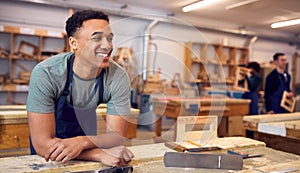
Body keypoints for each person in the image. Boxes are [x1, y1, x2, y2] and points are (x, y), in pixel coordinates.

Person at [26, 10, 134, 166]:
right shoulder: (47, 73)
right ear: (73, 43)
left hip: (85, 141)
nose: (107, 46)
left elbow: (118, 135)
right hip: (49, 159)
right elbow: (43, 144)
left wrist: (82, 142)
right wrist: (98, 154)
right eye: (96, 38)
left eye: (110, 38)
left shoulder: (117, 76)